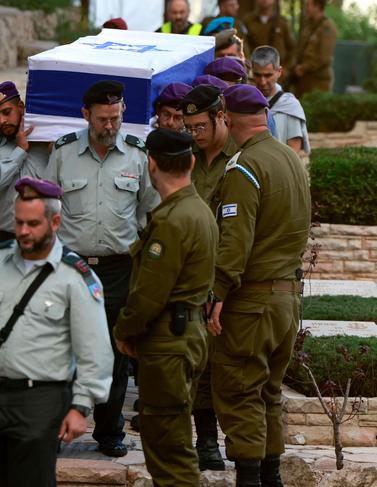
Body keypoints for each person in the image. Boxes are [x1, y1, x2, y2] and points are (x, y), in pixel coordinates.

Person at [0, 177, 113, 486]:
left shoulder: (75, 277)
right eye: (18, 223)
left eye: (32, 224)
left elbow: (95, 350)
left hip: (40, 400)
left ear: (55, 221)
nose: (22, 231)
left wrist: (80, 406)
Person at [45, 80, 159, 457]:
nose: (110, 127)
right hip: (71, 267)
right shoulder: (63, 153)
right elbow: (47, 207)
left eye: (116, 118)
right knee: (63, 349)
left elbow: (148, 209)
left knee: (114, 351)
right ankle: (57, 428)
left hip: (118, 269)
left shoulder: (136, 154)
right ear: (86, 115)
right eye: (102, 120)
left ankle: (109, 433)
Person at [208, 85, 310, 486]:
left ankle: (251, 478)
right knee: (268, 393)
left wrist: (216, 292)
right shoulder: (289, 157)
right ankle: (271, 477)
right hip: (286, 300)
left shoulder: (244, 167)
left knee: (240, 391)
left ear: (227, 119)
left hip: (252, 303)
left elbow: (235, 241)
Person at [113, 128, 218, 486]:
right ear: (190, 161)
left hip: (168, 343)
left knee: (168, 450)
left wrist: (124, 330)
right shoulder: (198, 210)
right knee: (172, 443)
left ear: (151, 163)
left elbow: (148, 295)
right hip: (186, 335)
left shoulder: (172, 220)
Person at [178, 85, 236, 471]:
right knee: (198, 362)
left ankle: (240, 439)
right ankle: (207, 441)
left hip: (232, 277)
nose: (195, 134)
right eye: (190, 127)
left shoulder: (241, 157)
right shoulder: (188, 160)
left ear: (221, 116)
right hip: (193, 277)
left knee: (232, 362)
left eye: (201, 126)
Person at [0, 81, 50, 242]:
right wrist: (20, 150)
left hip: (47, 236)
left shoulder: (48, 142)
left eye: (6, 112)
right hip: (9, 236)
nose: (2, 120)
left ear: (21, 107)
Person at [251, 46, 310, 154]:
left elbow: (293, 151)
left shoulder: (290, 106)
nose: (262, 82)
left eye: (268, 75)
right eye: (257, 75)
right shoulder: (245, 101)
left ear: (279, 72)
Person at [290, 0, 337, 98]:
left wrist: (304, 68)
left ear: (317, 7)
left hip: (318, 82)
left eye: (308, 5)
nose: (305, 9)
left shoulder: (327, 27)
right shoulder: (308, 26)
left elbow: (324, 57)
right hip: (302, 82)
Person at [242, 0, 295, 74]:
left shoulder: (282, 22)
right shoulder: (247, 21)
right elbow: (243, 44)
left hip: (277, 72)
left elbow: (292, 49)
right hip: (255, 72)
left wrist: (285, 69)